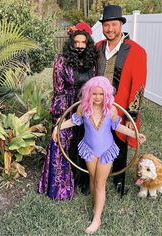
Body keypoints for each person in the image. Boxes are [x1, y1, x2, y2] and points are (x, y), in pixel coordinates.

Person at [52, 76, 146, 234]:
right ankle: (97, 204)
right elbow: (74, 121)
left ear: (107, 94)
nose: (97, 97)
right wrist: (58, 127)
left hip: (105, 151)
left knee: (100, 183)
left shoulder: (111, 109)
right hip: (89, 149)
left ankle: (97, 218)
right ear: (89, 93)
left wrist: (134, 133)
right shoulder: (84, 107)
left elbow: (118, 127)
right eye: (94, 94)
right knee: (92, 178)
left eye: (101, 94)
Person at [37, 22, 98, 200]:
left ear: (88, 43)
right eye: (76, 42)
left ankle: (83, 180)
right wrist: (60, 116)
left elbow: (94, 85)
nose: (80, 46)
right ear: (71, 42)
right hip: (68, 105)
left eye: (83, 42)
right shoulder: (61, 60)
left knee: (86, 142)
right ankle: (61, 184)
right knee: (64, 142)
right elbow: (59, 90)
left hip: (86, 106)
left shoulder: (91, 60)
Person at [96, 5, 147, 194]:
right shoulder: (98, 47)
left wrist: (131, 113)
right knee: (97, 138)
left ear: (121, 25)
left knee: (119, 142)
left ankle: (118, 178)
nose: (110, 29)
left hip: (120, 105)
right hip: (98, 104)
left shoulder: (136, 51)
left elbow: (139, 85)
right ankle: (97, 172)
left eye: (114, 25)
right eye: (106, 25)